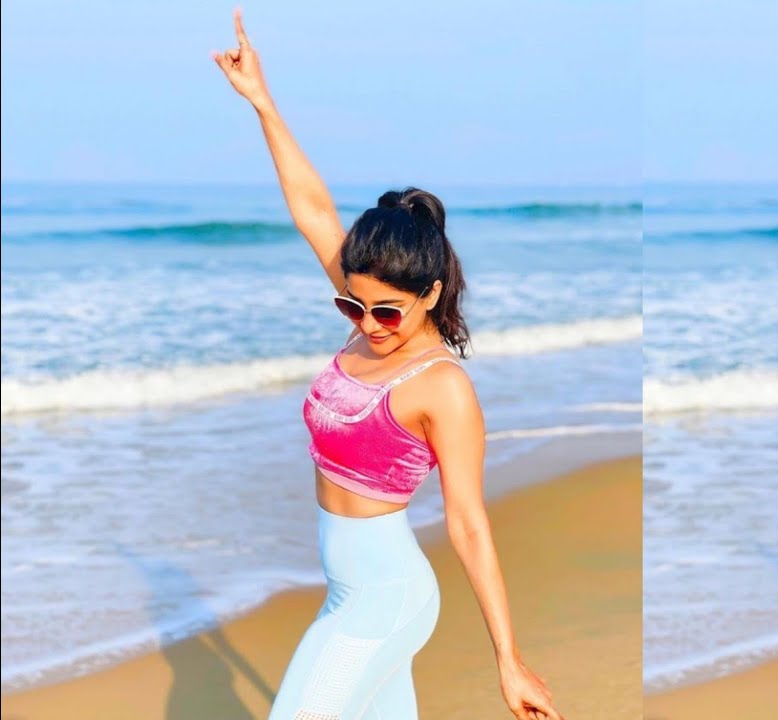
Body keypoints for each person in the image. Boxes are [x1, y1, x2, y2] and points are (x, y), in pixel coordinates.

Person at [212, 10, 562, 719]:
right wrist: (262, 102)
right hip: (346, 589)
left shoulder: (441, 387)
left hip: (387, 599)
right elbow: (312, 209)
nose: (368, 326)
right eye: (351, 307)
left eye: (387, 312)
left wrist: (508, 659)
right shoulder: (371, 310)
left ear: (429, 294)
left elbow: (467, 522)